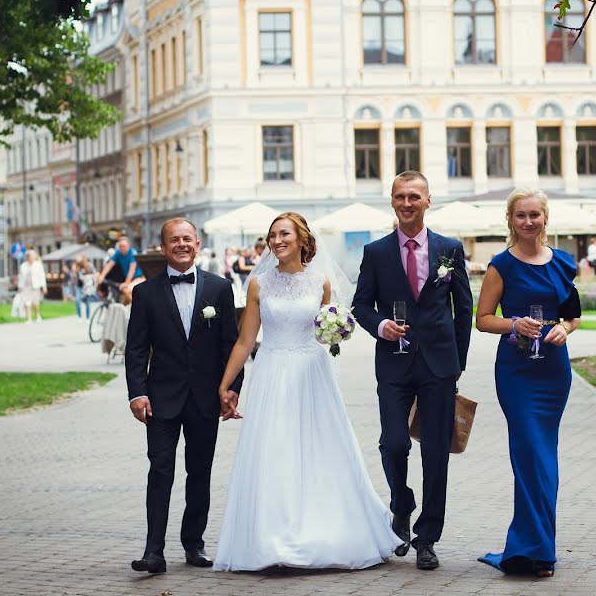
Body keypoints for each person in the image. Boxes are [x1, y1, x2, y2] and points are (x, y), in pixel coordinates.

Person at [213, 212, 401, 571]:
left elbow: (325, 332)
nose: (276, 240)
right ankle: (272, 539)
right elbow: (244, 341)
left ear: (302, 239)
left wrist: (337, 332)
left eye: (284, 234)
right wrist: (225, 384)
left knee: (318, 449)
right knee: (274, 451)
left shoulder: (321, 283)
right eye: (271, 235)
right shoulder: (258, 284)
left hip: (312, 374)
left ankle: (320, 532)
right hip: (271, 371)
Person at [352, 170, 473, 571]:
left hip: (439, 365)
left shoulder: (449, 249)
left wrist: (457, 364)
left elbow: (464, 309)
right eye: (401, 196)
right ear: (392, 201)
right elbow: (361, 305)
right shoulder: (376, 252)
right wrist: (380, 326)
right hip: (394, 363)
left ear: (427, 201)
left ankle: (427, 538)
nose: (407, 203)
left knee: (436, 453)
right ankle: (401, 504)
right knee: (394, 443)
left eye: (414, 197)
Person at [124, 218, 245, 574]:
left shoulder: (220, 289)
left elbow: (232, 346)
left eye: (187, 239)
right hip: (160, 399)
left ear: (197, 244)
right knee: (160, 470)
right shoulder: (146, 293)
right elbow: (135, 349)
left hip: (205, 398)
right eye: (173, 240)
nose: (181, 244)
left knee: (200, 472)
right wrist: (137, 393)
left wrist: (232, 389)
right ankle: (153, 551)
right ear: (163, 248)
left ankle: (194, 543)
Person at [475, 189, 581, 577]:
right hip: (517, 373)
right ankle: (532, 549)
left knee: (545, 458)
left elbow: (573, 316)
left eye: (534, 214)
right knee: (529, 455)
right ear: (511, 221)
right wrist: (514, 323)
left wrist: (564, 330)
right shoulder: (500, 265)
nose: (528, 221)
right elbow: (483, 318)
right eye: (521, 215)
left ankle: (534, 547)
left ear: (545, 218)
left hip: (553, 372)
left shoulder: (564, 263)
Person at [99, 237, 145, 301]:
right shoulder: (118, 253)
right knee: (125, 296)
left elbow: (132, 269)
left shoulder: (132, 252)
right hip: (130, 280)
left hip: (139, 278)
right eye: (120, 246)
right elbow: (109, 265)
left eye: (124, 246)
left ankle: (140, 309)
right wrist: (101, 276)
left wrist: (126, 283)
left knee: (126, 290)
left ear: (128, 246)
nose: (122, 248)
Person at [18, 249, 47, 323]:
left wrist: (44, 286)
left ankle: (37, 315)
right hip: (26, 286)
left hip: (35, 286)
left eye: (34, 255)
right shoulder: (23, 265)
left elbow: (42, 275)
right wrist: (20, 287)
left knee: (35, 303)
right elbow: (21, 277)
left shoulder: (38, 264)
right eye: (31, 256)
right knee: (27, 303)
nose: (33, 257)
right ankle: (29, 319)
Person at [73, 254, 96, 321]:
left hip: (87, 287)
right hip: (79, 286)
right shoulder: (76, 266)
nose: (76, 258)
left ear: (82, 258)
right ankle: (79, 316)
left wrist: (88, 277)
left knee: (87, 302)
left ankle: (87, 317)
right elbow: (75, 278)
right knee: (77, 300)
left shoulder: (89, 265)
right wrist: (74, 272)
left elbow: (95, 273)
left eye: (78, 257)